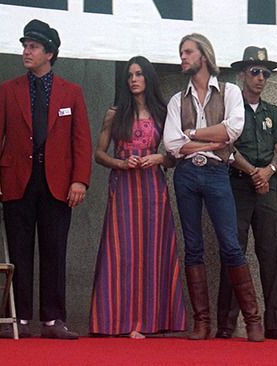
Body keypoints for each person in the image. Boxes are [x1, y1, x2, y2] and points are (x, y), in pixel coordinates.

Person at [0, 19, 92, 339]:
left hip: (57, 181)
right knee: (19, 251)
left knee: (55, 250)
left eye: (33, 47)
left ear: (50, 53)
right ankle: (19, 318)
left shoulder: (72, 92)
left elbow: (81, 140)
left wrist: (79, 180)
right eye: (25, 46)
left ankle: (53, 320)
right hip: (16, 178)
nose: (26, 52)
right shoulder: (9, 89)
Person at [163, 33, 264, 342]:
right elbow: (171, 144)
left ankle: (253, 320)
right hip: (186, 176)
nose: (183, 57)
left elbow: (233, 130)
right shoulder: (177, 100)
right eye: (181, 52)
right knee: (193, 247)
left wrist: (192, 134)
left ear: (203, 56)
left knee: (231, 244)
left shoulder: (231, 91)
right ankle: (201, 322)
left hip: (218, 173)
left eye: (187, 52)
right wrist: (211, 139)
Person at [89, 56, 186, 339]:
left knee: (152, 251)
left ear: (149, 78)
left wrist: (159, 157)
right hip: (123, 187)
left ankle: (149, 321)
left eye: (139, 74)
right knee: (122, 252)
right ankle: (116, 321)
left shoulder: (163, 113)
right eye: (130, 74)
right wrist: (120, 163)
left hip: (153, 187)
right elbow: (99, 153)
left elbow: (174, 155)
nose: (134, 79)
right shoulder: (115, 113)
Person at [215, 47, 277, 340]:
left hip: (267, 186)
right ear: (241, 75)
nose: (261, 78)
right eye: (255, 72)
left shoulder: (272, 111)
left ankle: (274, 324)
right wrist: (252, 172)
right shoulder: (231, 109)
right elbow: (225, 146)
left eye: (265, 73)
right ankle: (226, 323)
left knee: (271, 253)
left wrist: (268, 171)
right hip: (237, 184)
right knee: (233, 250)